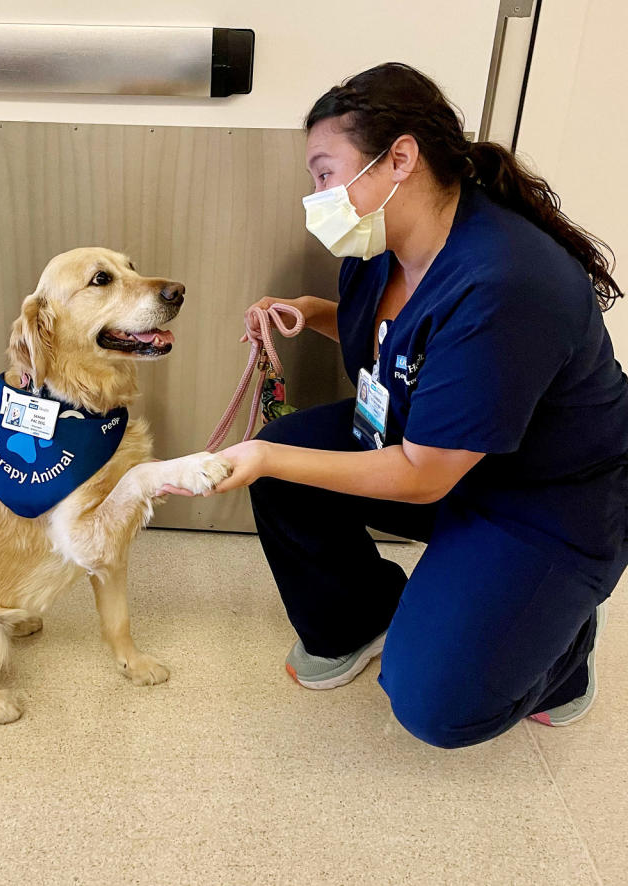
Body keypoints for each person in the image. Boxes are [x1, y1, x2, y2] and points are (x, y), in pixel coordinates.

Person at [165, 62, 628, 748]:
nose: (316, 194)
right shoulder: (382, 247)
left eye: (325, 173)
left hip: (546, 502)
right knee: (288, 480)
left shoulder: (505, 281)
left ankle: (563, 653)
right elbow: (404, 341)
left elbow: (423, 475)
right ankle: (363, 621)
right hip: (441, 446)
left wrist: (263, 453)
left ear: (400, 158)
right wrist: (310, 312)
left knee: (433, 704)